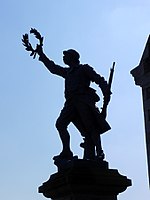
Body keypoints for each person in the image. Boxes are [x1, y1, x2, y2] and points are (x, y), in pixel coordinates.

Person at [36, 46, 111, 160]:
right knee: (60, 124)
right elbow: (53, 68)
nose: (64, 58)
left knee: (90, 127)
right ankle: (66, 151)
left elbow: (98, 79)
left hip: (82, 101)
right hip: (71, 103)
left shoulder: (84, 69)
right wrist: (41, 54)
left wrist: (105, 90)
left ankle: (99, 152)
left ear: (73, 58)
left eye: (66, 56)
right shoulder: (67, 72)